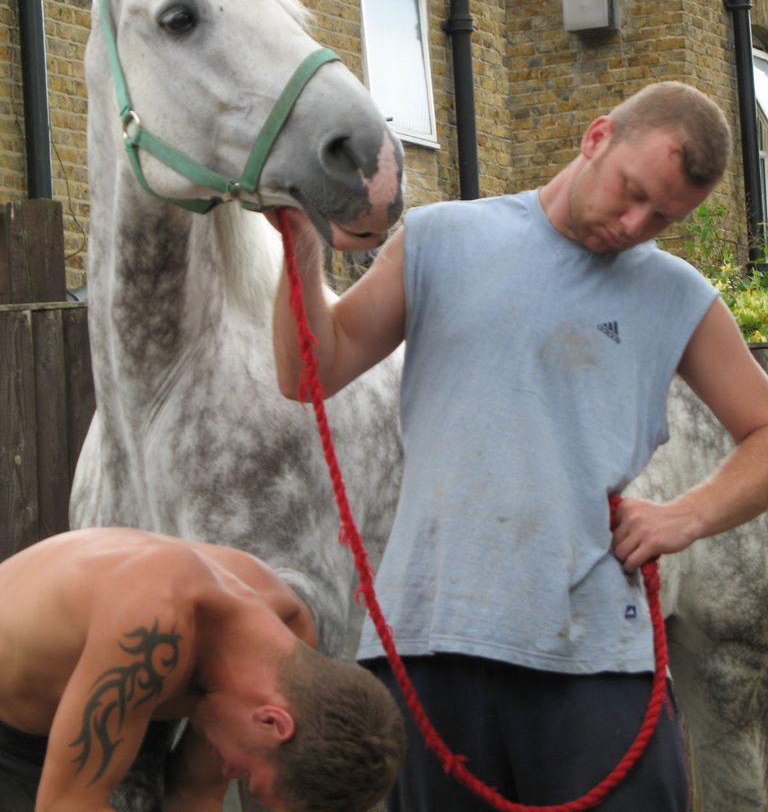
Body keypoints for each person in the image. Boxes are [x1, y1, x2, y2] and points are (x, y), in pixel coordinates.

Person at [271, 81, 768, 811]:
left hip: (598, 658)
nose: (634, 224)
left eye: (664, 217)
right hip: (430, 644)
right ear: (596, 137)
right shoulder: (442, 240)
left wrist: (684, 517)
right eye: (632, 193)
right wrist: (300, 240)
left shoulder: (678, 296)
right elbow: (310, 371)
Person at [0, 527, 405, 812]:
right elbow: (67, 806)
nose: (228, 772)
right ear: (272, 721)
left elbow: (194, 797)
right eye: (245, 776)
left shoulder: (286, 639)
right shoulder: (153, 625)